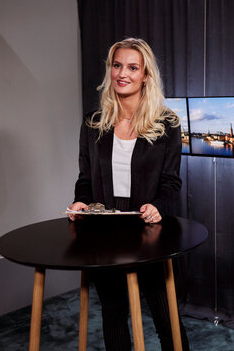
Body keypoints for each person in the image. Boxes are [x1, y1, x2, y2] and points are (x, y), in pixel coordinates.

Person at [68, 38, 189, 350]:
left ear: (145, 75)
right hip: (103, 230)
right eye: (117, 65)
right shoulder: (93, 124)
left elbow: (171, 182)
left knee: (165, 316)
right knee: (113, 312)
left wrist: (159, 206)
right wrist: (81, 201)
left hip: (148, 228)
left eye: (132, 67)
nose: (123, 73)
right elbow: (85, 178)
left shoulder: (168, 124)